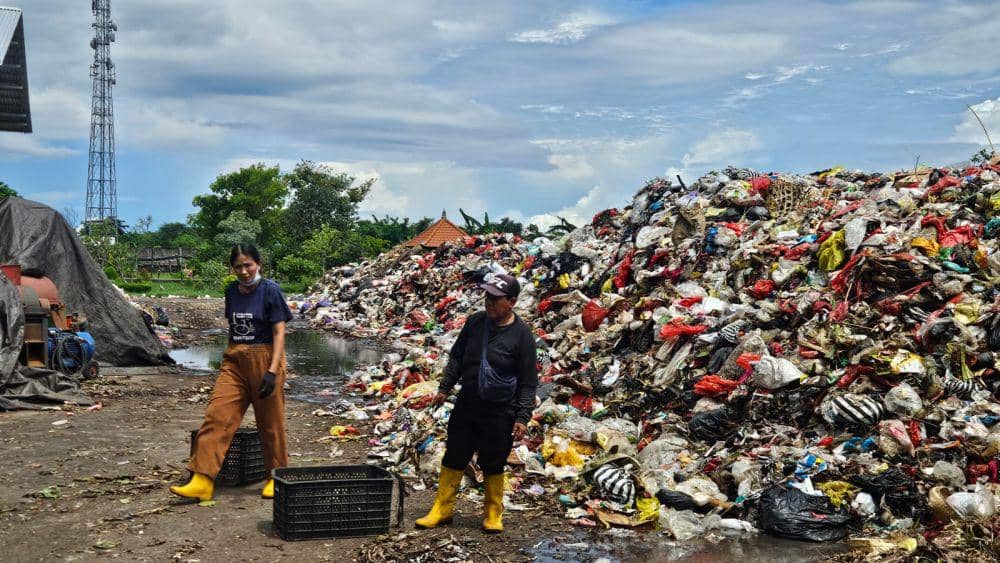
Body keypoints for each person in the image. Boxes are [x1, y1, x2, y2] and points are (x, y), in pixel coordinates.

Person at [170, 243, 293, 501]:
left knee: (270, 424)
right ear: (232, 268)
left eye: (248, 265)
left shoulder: (270, 291)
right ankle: (202, 479)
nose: (244, 271)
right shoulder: (231, 291)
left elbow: (279, 331)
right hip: (235, 360)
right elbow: (233, 328)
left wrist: (272, 371)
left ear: (258, 264)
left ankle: (276, 476)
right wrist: (229, 357)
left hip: (265, 358)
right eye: (238, 266)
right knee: (217, 415)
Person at [415, 273, 538, 533]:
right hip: (468, 402)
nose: (489, 302)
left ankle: (493, 513)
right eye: (487, 297)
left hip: (500, 409)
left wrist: (522, 417)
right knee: (455, 455)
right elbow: (457, 357)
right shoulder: (474, 323)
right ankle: (442, 509)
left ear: (512, 301)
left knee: (493, 461)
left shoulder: (522, 336)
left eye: (496, 298)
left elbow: (528, 381)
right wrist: (445, 387)